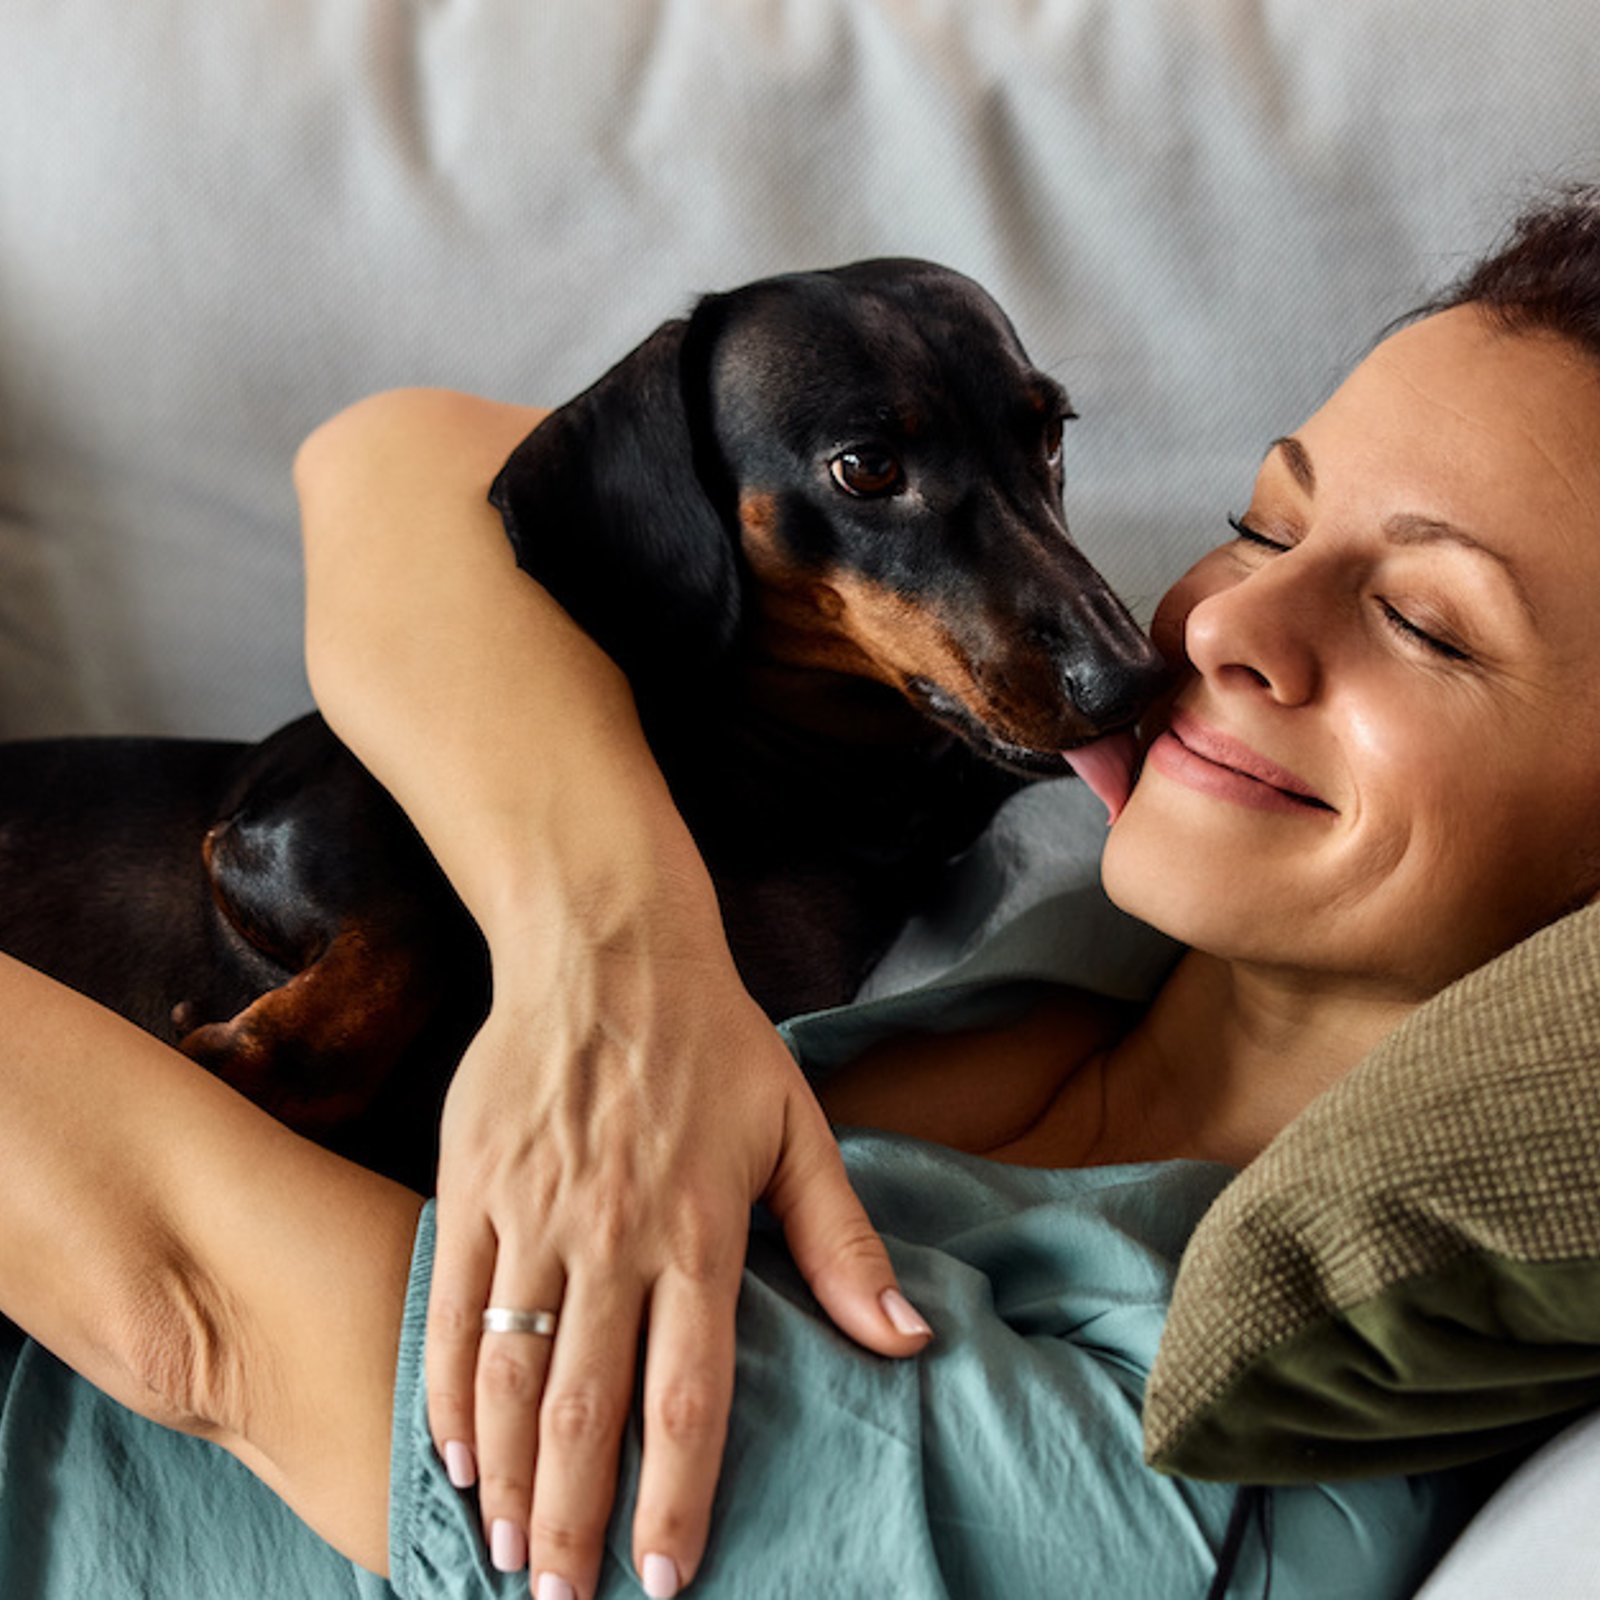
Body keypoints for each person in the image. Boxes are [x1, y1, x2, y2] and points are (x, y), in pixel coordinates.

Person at [7, 188, 1600, 1598]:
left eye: (1432, 625)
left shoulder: (1172, 1450)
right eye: (1266, 516)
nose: (1210, 627)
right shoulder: (1066, 856)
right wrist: (614, 963)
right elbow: (409, 462)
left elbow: (187, 1313)